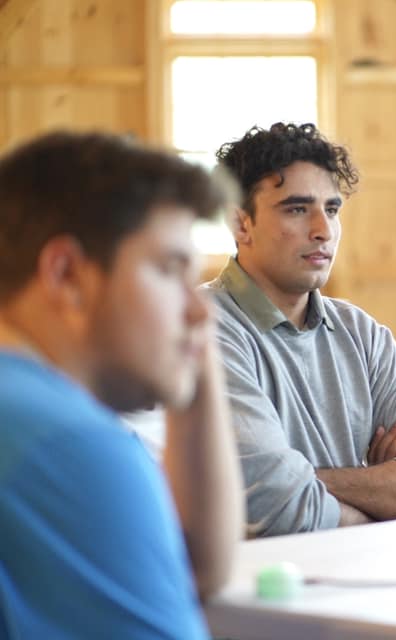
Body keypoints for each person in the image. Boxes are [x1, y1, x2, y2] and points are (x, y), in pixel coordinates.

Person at [0, 131, 244, 637]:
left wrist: (189, 356)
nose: (202, 311)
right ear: (66, 275)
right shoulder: (66, 441)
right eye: (169, 269)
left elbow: (195, 571)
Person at [210, 122, 396, 536]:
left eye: (332, 209)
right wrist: (382, 486)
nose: (323, 229)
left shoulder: (361, 333)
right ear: (241, 224)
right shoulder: (202, 329)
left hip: (368, 585)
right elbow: (278, 508)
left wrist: (311, 481)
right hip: (258, 593)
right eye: (297, 209)